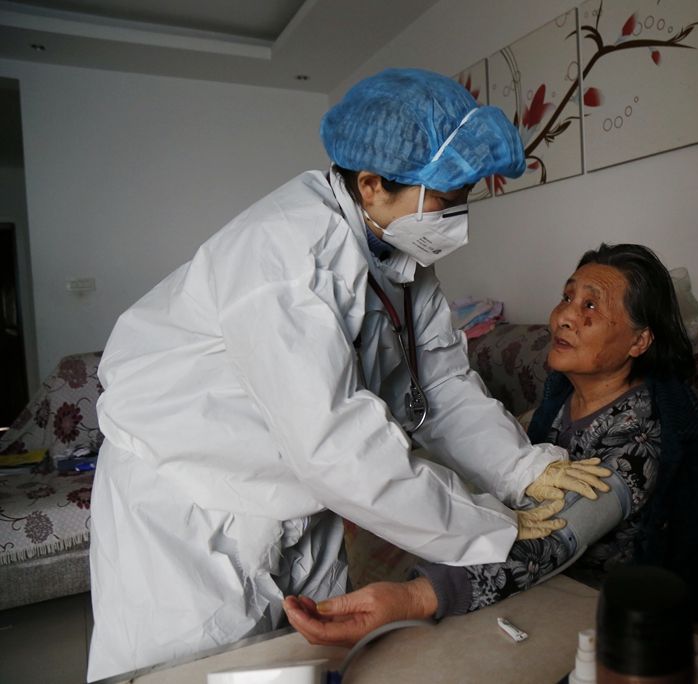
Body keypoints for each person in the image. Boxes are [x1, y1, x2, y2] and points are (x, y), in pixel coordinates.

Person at [87, 68, 610, 681]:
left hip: (298, 493)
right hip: (189, 502)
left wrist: (523, 469)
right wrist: (491, 525)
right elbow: (334, 443)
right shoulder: (283, 257)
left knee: (313, 661)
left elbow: (440, 386)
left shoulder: (399, 256)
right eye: (446, 201)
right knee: (189, 672)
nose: (457, 218)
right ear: (371, 185)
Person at [283, 243, 698, 646]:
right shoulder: (560, 400)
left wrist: (413, 596)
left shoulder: (640, 438)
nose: (563, 316)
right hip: (532, 594)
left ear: (640, 341)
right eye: (567, 297)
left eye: (590, 306)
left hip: (596, 614)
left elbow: (555, 535)